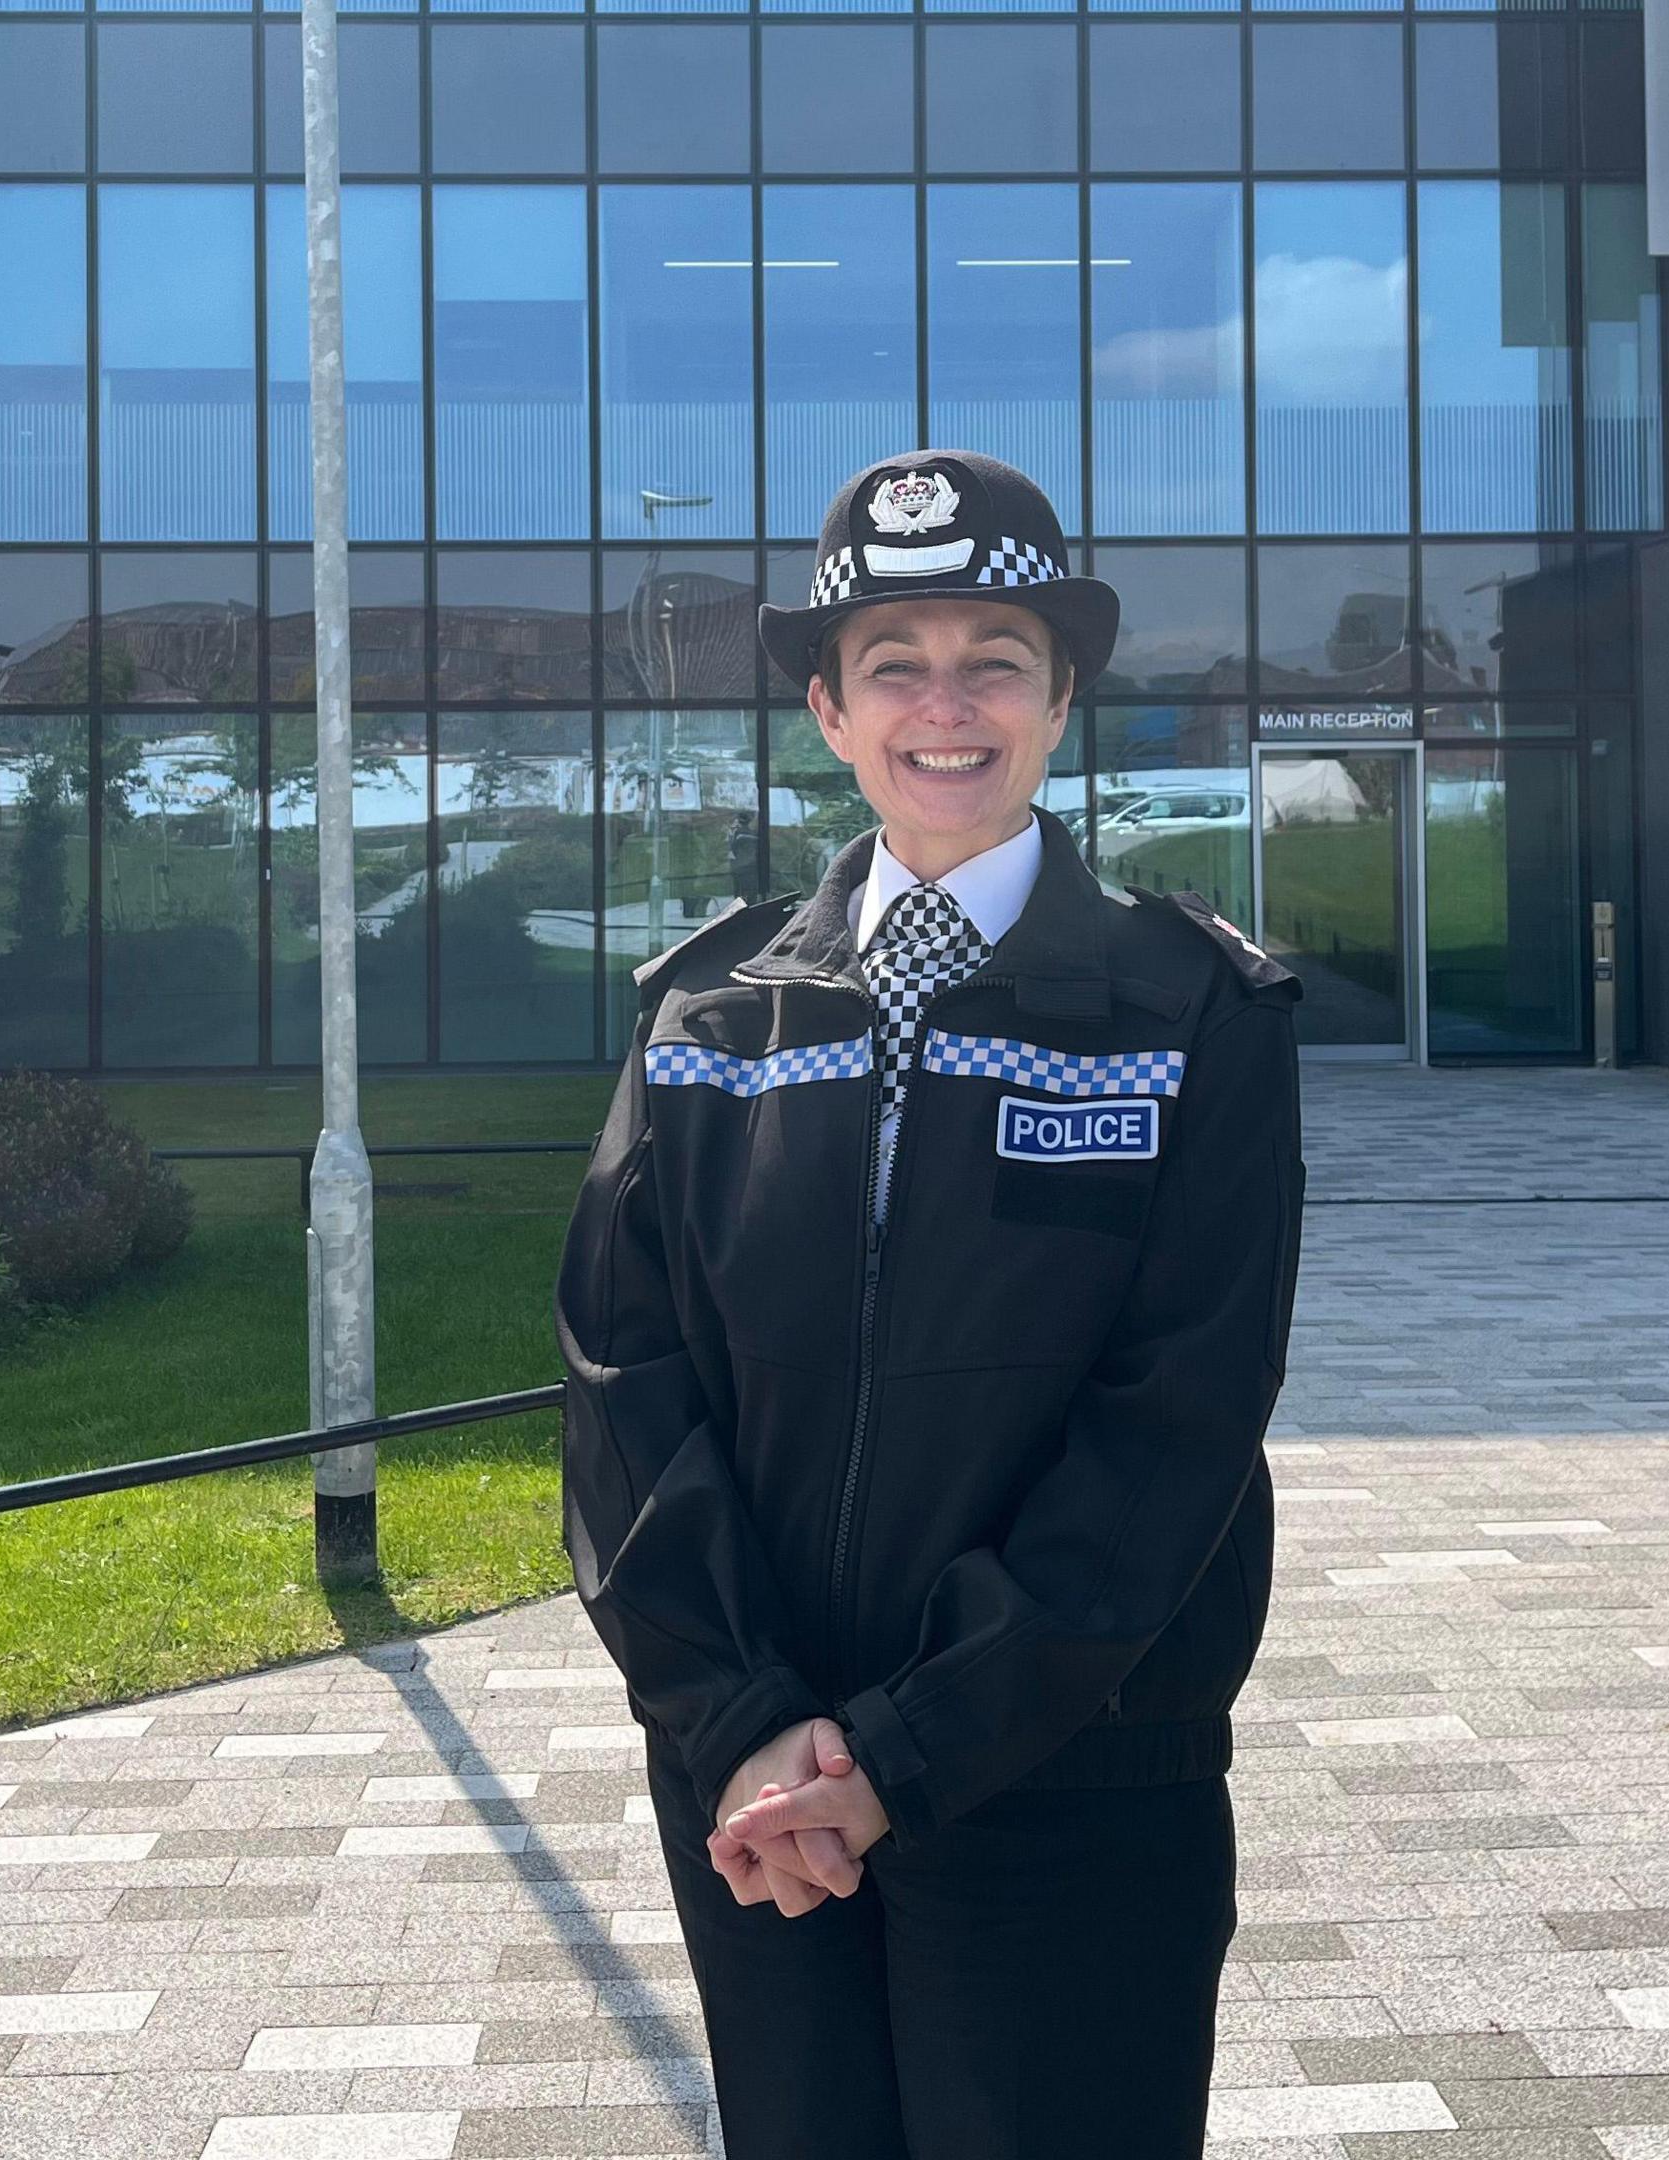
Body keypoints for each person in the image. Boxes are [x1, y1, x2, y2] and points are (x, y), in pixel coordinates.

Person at [555, 450, 1307, 2160]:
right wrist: (747, 1726)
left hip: (1071, 1768)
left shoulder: (1192, 1013)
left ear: (1060, 705)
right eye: (896, 662)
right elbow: (624, 1388)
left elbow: (1177, 1419)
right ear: (828, 708)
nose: (945, 704)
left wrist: (911, 1745)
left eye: (996, 661)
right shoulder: (706, 1014)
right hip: (764, 1791)